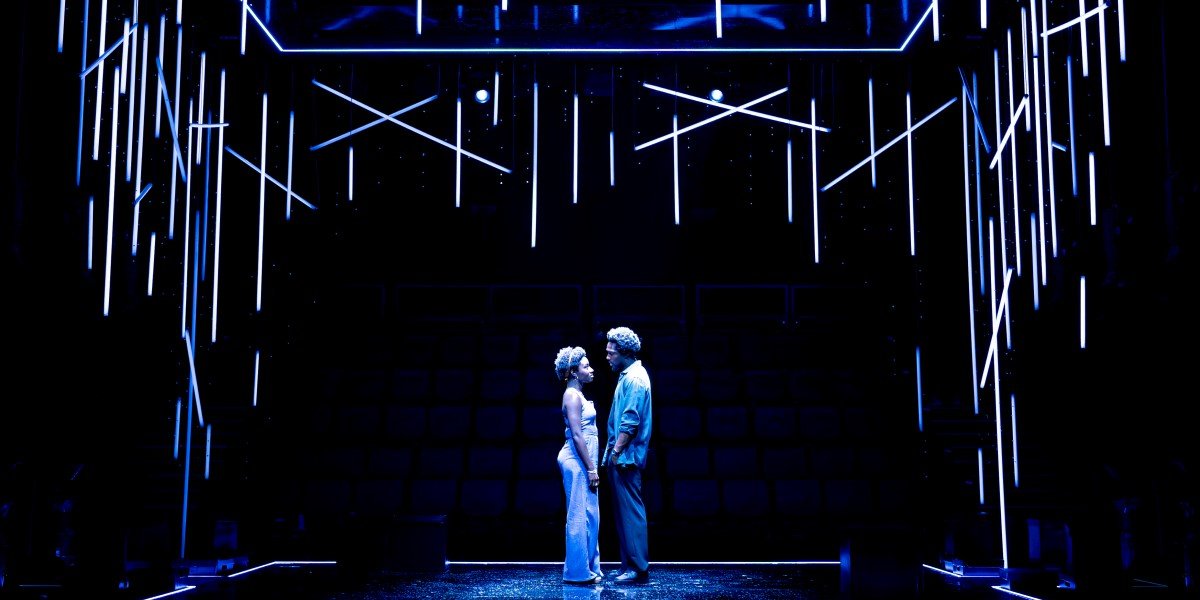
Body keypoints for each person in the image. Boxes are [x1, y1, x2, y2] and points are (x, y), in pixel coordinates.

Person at [600, 326, 652, 583]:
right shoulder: (628, 375)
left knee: (630, 512)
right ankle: (628, 563)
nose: (607, 357)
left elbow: (631, 421)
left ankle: (637, 566)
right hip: (622, 456)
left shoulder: (634, 379)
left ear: (625, 353)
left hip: (626, 457)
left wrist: (616, 451)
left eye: (611, 353)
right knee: (623, 513)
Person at [555, 346, 603, 585]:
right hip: (576, 460)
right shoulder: (572, 396)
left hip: (584, 458)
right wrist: (591, 468)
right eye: (586, 366)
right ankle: (576, 572)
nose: (591, 369)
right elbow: (576, 434)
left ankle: (589, 565)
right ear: (574, 372)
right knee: (578, 515)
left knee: (590, 514)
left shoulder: (578, 394)